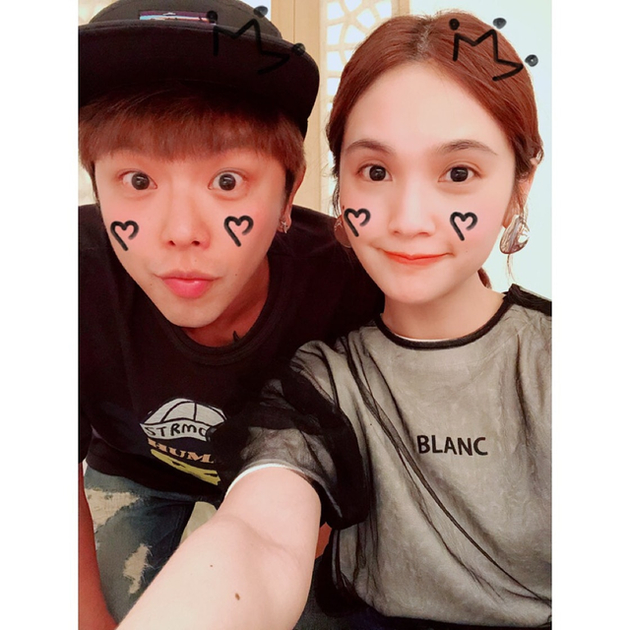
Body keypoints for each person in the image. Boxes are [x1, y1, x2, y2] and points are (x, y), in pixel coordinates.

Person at [118, 10, 551, 630]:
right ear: (340, 183)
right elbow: (258, 538)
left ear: (519, 187)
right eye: (376, 171)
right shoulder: (319, 379)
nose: (409, 218)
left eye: (458, 173)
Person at [78, 1, 382, 628]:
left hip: (290, 479)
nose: (181, 231)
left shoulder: (349, 282)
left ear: (288, 195)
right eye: (137, 181)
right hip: (135, 468)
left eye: (227, 182)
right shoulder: (65, 272)